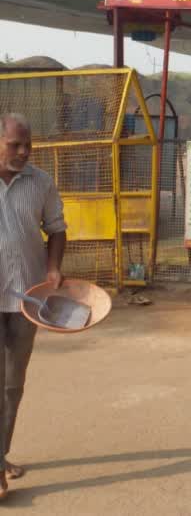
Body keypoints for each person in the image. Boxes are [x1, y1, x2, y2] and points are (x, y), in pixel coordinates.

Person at [0, 113, 66, 500]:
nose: (24, 152)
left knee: (11, 385)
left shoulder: (40, 182)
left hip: (27, 299)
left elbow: (56, 227)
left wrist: (54, 267)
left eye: (28, 145)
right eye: (15, 145)